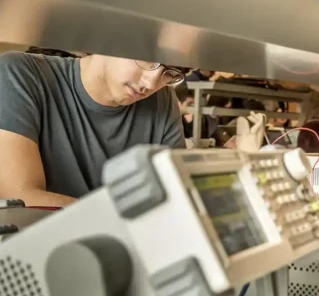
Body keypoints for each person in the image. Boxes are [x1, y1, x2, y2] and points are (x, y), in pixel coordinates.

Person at [0, 53, 186, 206]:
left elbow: (178, 196)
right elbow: (19, 198)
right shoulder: (19, 73)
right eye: (149, 59)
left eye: (171, 72)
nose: (151, 83)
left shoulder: (163, 98)